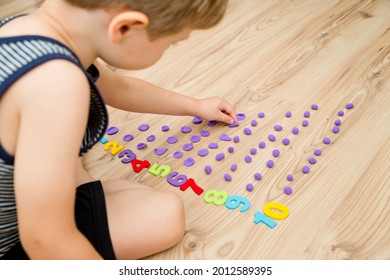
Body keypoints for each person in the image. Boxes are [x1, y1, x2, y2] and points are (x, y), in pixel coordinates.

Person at [0, 0, 238, 260]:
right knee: (164, 215)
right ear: (125, 28)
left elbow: (121, 89)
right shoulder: (56, 85)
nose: (168, 48)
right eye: (170, 42)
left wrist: (195, 106)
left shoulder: (26, 28)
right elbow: (46, 240)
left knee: (129, 193)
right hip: (17, 241)